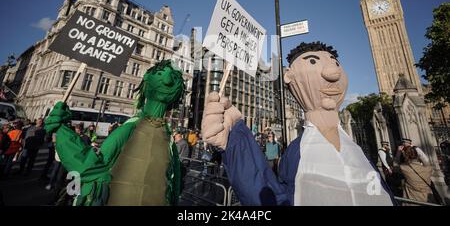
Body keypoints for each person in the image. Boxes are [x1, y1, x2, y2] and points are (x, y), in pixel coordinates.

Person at [202, 41, 395, 206]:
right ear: (289, 76)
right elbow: (268, 195)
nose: (333, 72)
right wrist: (235, 139)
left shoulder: (357, 150)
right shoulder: (298, 152)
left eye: (335, 63)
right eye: (313, 62)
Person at [44, 60, 185, 205]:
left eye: (173, 78)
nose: (167, 80)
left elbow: (174, 181)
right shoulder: (130, 128)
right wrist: (62, 130)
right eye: (161, 74)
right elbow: (92, 166)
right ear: (147, 81)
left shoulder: (168, 139)